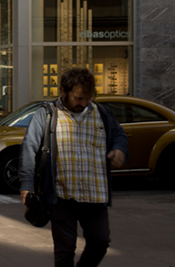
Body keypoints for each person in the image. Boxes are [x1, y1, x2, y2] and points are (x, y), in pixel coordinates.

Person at [19, 68, 128, 267]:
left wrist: (119, 149)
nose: (83, 103)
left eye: (87, 98)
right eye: (78, 98)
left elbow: (119, 135)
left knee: (100, 241)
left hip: (95, 194)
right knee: (65, 248)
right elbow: (29, 149)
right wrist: (27, 185)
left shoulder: (101, 113)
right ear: (64, 91)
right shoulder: (47, 114)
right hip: (61, 196)